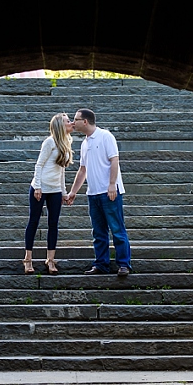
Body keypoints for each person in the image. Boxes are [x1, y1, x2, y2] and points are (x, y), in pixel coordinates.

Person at [64, 108, 132, 276]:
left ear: (85, 121)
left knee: (117, 229)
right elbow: (82, 170)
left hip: (109, 192)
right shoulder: (85, 143)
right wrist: (73, 191)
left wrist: (111, 185)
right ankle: (101, 264)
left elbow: (114, 160)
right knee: (98, 231)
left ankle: (124, 264)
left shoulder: (105, 136)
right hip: (93, 193)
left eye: (76, 119)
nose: (73, 122)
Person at [23, 113, 74, 274]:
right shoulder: (50, 142)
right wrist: (38, 187)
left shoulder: (66, 143)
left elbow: (61, 171)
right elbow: (39, 165)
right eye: (68, 121)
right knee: (34, 221)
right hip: (40, 188)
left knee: (53, 224)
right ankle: (28, 259)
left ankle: (50, 260)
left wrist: (64, 192)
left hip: (55, 191)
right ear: (60, 125)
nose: (71, 123)